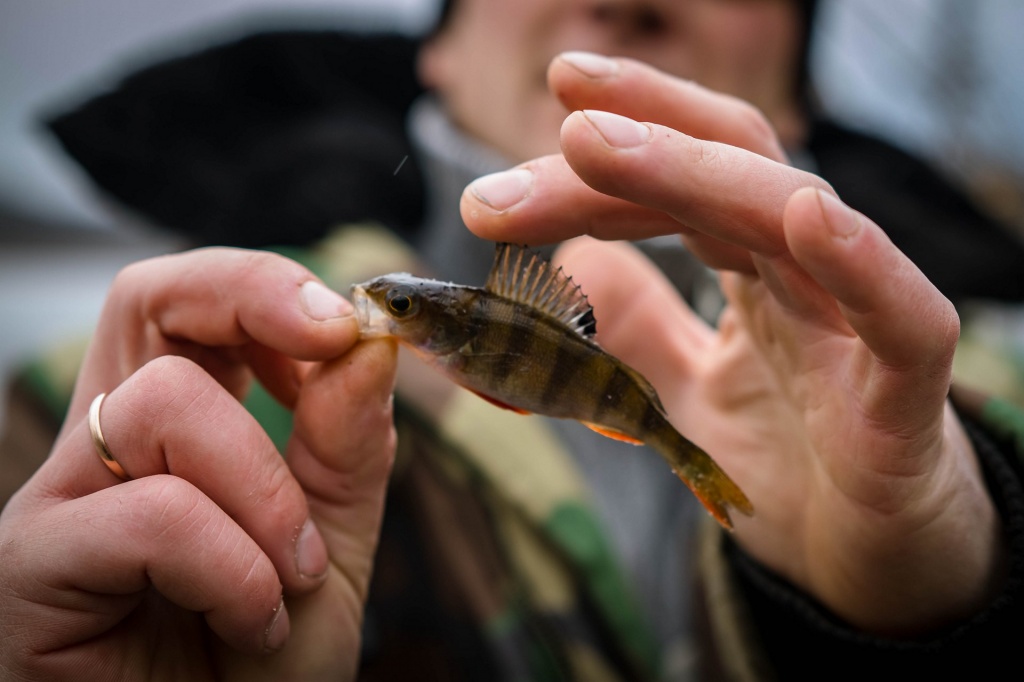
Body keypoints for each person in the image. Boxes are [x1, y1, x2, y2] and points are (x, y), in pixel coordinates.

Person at [2, 1, 1023, 680]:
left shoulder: (992, 401)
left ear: (798, 83)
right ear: (435, 48)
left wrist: (953, 602)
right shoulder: (95, 416)